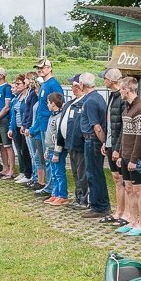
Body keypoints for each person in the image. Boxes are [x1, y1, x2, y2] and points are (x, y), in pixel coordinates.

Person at [113, 77, 141, 237]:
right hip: (126, 155)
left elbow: (140, 138)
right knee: (128, 188)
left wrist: (134, 159)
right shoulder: (127, 108)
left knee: (138, 190)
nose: (120, 91)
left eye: (121, 88)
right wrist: (121, 154)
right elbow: (124, 134)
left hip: (136, 158)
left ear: (127, 89)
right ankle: (132, 221)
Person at [78, 72, 111, 218]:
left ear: (82, 85)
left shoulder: (90, 101)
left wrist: (103, 142)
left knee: (93, 173)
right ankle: (100, 204)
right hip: (93, 140)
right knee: (95, 173)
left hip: (92, 140)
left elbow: (96, 126)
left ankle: (99, 206)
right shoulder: (98, 97)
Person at [100, 68, 129, 225]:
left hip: (119, 145)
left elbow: (123, 126)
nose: (103, 80)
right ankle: (118, 211)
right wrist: (105, 141)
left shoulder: (122, 98)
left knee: (124, 180)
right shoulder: (112, 96)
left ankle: (126, 213)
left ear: (112, 80)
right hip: (111, 143)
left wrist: (118, 148)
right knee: (116, 179)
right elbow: (109, 122)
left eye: (105, 78)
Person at [30, 58, 60, 196]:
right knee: (43, 156)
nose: (40, 70)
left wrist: (54, 123)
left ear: (50, 68)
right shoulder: (44, 85)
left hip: (49, 125)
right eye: (38, 68)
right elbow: (41, 108)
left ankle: (51, 187)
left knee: (48, 157)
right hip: (42, 125)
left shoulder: (53, 84)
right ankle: (48, 185)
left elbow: (60, 104)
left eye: (42, 68)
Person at [62, 76, 90, 209]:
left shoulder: (85, 102)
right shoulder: (72, 102)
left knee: (82, 172)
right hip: (70, 143)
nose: (71, 88)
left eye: (73, 85)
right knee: (75, 172)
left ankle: (85, 199)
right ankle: (78, 196)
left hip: (79, 143)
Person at [43, 93, 68, 205]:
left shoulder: (59, 117)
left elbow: (59, 136)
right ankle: (55, 193)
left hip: (57, 150)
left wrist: (57, 153)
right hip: (50, 149)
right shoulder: (52, 116)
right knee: (53, 173)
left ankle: (62, 195)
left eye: (48, 102)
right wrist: (47, 149)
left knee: (59, 173)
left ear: (53, 103)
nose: (47, 104)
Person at [9, 74, 33, 183]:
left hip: (24, 127)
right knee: (20, 150)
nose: (16, 85)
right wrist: (10, 127)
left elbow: (28, 112)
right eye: (16, 83)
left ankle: (29, 173)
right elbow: (13, 114)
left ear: (25, 84)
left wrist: (25, 125)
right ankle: (23, 171)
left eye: (18, 83)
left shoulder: (28, 96)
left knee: (26, 150)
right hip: (17, 127)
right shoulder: (17, 98)